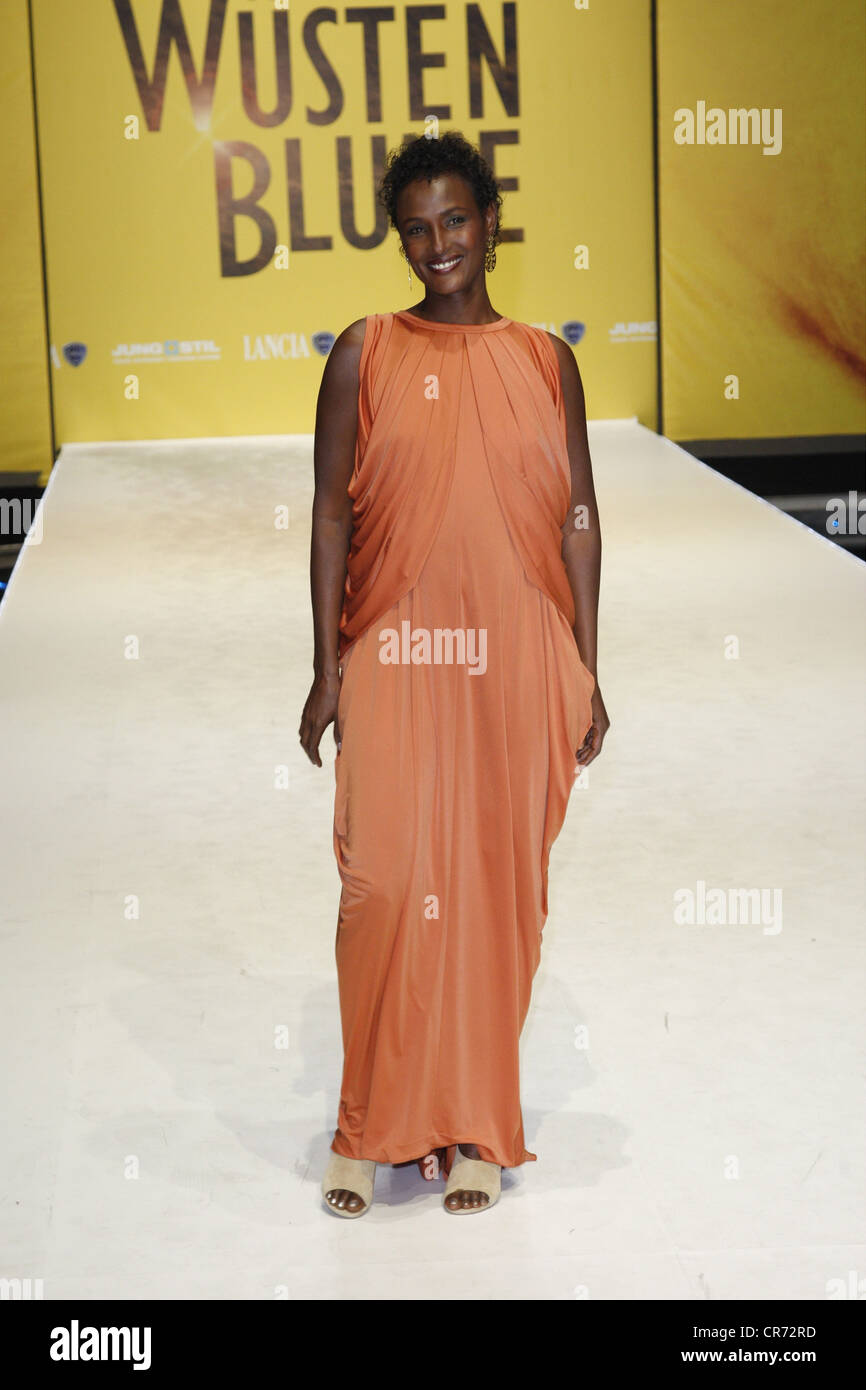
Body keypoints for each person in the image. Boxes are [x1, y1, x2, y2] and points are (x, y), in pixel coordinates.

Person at [299, 131, 610, 1218]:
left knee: (490, 890)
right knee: (381, 881)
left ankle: (475, 1123)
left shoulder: (542, 359)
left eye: (455, 221)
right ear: (400, 237)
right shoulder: (364, 351)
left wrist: (587, 663)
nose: (437, 244)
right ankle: (365, 1123)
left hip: (516, 648)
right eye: (417, 228)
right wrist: (325, 667)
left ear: (490, 221)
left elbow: (576, 519)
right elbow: (333, 510)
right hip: (393, 642)